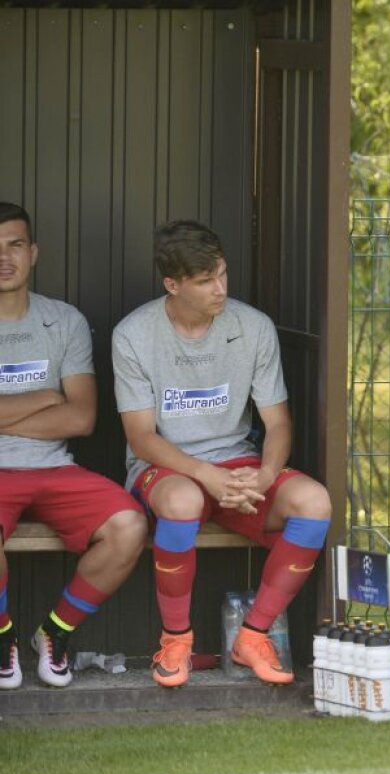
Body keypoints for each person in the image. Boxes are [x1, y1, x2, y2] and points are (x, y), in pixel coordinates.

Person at [113, 220, 331, 688]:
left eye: (223, 274)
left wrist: (268, 474)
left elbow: (277, 422)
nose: (220, 289)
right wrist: (203, 475)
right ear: (173, 284)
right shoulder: (133, 334)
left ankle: (253, 635)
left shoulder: (252, 326)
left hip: (238, 464)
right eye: (205, 280)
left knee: (315, 503)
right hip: (166, 467)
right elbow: (141, 437)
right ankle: (176, 641)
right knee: (183, 501)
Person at [0, 201, 147, 689]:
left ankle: (55, 632)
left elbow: (81, 417)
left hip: (54, 467)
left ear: (34, 252)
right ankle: (3, 639)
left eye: (15, 244)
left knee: (129, 525)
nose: (5, 257)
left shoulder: (63, 321)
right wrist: (43, 397)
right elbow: (60, 405)